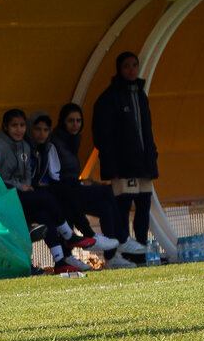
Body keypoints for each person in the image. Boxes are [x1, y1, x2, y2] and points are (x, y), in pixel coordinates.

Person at [0, 109, 93, 274]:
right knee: (46, 197)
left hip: (17, 197)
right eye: (14, 126)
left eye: (21, 125)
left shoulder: (24, 146)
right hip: (1, 199)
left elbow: (26, 172)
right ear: (5, 127)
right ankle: (69, 235)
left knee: (44, 214)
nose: (19, 129)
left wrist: (26, 185)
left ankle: (60, 261)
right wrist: (21, 187)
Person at [51, 103, 146, 268]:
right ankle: (121, 239)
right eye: (71, 121)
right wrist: (82, 183)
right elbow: (59, 175)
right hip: (64, 192)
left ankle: (111, 258)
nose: (75, 125)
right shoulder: (57, 142)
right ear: (62, 122)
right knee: (105, 192)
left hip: (72, 189)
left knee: (105, 205)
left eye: (78, 121)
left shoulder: (72, 141)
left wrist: (84, 183)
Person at [27, 112, 125, 265]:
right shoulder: (33, 147)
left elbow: (56, 174)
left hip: (60, 188)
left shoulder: (52, 146)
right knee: (67, 197)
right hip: (38, 192)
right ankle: (88, 239)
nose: (42, 134)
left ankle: (106, 251)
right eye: (38, 129)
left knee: (96, 199)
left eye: (45, 130)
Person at [92, 52, 160, 257]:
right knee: (122, 207)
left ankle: (140, 249)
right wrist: (111, 167)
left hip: (143, 164)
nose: (131, 70)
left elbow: (147, 131)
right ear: (119, 69)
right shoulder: (109, 97)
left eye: (134, 65)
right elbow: (103, 136)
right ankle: (120, 253)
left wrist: (152, 157)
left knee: (144, 205)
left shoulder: (140, 95)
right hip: (123, 166)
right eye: (126, 66)